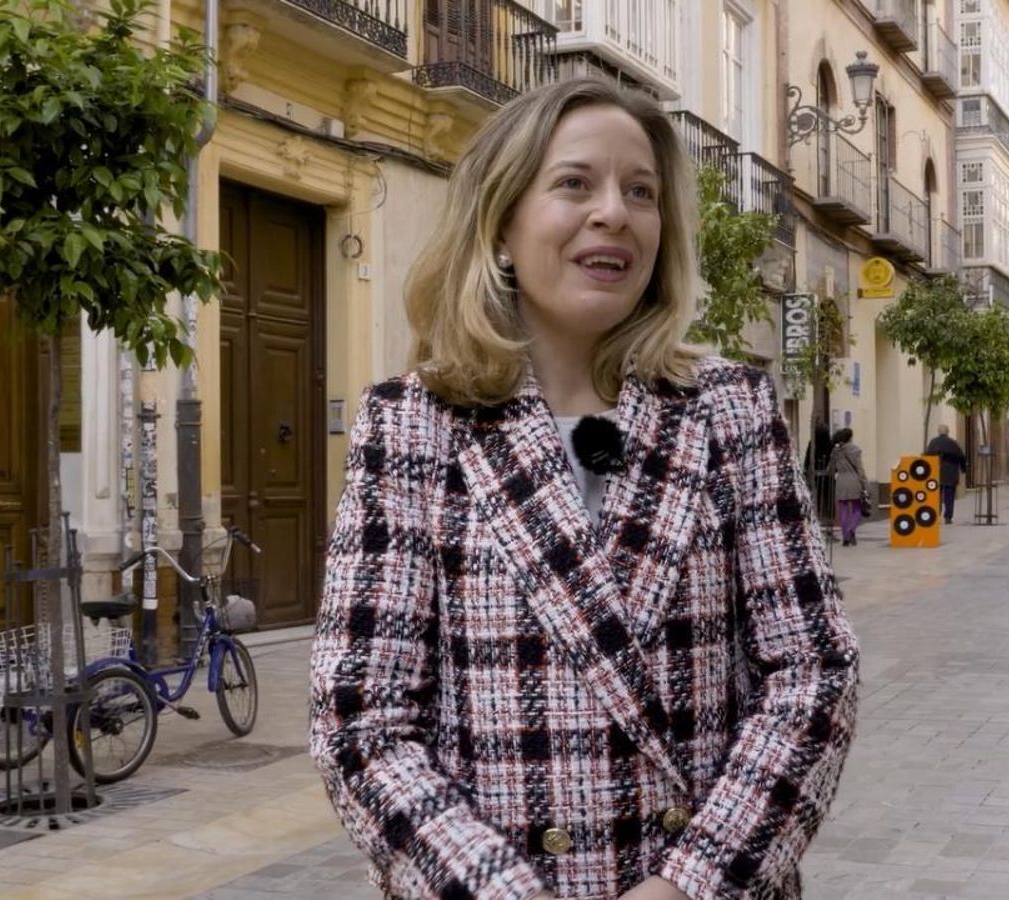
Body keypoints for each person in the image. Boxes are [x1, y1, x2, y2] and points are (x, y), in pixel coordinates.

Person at [308, 80, 860, 900]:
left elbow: (812, 673)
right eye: (575, 183)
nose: (615, 213)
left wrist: (691, 881)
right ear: (501, 226)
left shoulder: (729, 410)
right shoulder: (415, 423)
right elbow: (362, 719)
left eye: (641, 192)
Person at [827, 427, 868, 545]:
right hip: (854, 481)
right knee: (857, 508)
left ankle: (845, 536)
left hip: (841, 481)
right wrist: (864, 483)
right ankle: (851, 529)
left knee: (843, 509)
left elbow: (830, 469)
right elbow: (860, 469)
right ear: (850, 437)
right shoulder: (855, 450)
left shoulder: (836, 452)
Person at [924, 423, 968, 524]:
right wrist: (963, 469)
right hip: (950, 473)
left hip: (935, 473)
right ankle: (948, 517)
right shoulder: (953, 443)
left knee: (935, 495)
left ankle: (935, 514)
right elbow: (961, 457)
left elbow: (927, 456)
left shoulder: (933, 442)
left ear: (938, 432)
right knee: (949, 496)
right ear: (947, 432)